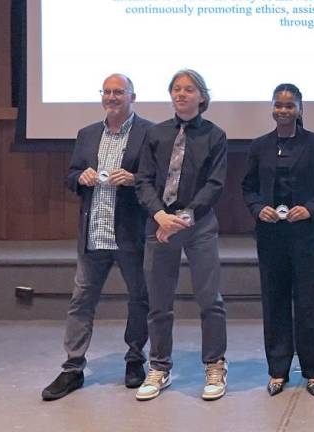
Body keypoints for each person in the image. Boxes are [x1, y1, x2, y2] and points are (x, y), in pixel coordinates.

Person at [42, 73, 152, 401]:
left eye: (119, 92)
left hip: (130, 234)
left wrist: (134, 179)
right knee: (81, 301)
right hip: (93, 233)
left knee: (139, 298)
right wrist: (82, 177)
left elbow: (157, 179)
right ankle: (72, 368)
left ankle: (135, 359)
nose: (112, 97)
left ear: (133, 96)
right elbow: (71, 176)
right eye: (107, 92)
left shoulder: (150, 134)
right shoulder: (87, 134)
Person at [135, 69, 228, 401]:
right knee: (159, 302)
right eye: (176, 89)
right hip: (159, 225)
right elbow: (143, 179)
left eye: (189, 89)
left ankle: (215, 364)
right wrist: (160, 215)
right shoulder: (156, 134)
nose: (181, 94)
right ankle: (159, 367)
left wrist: (186, 216)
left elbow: (215, 183)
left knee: (210, 300)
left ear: (201, 96)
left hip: (198, 225)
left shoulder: (215, 136)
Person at [242, 83, 314, 397]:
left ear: (300, 108)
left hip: (305, 236)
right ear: (272, 108)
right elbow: (248, 188)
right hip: (270, 236)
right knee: (274, 302)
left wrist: (308, 209)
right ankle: (278, 369)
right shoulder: (259, 146)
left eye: (289, 105)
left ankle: (313, 371)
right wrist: (257, 208)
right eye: (278, 105)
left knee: (307, 304)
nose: (283, 110)